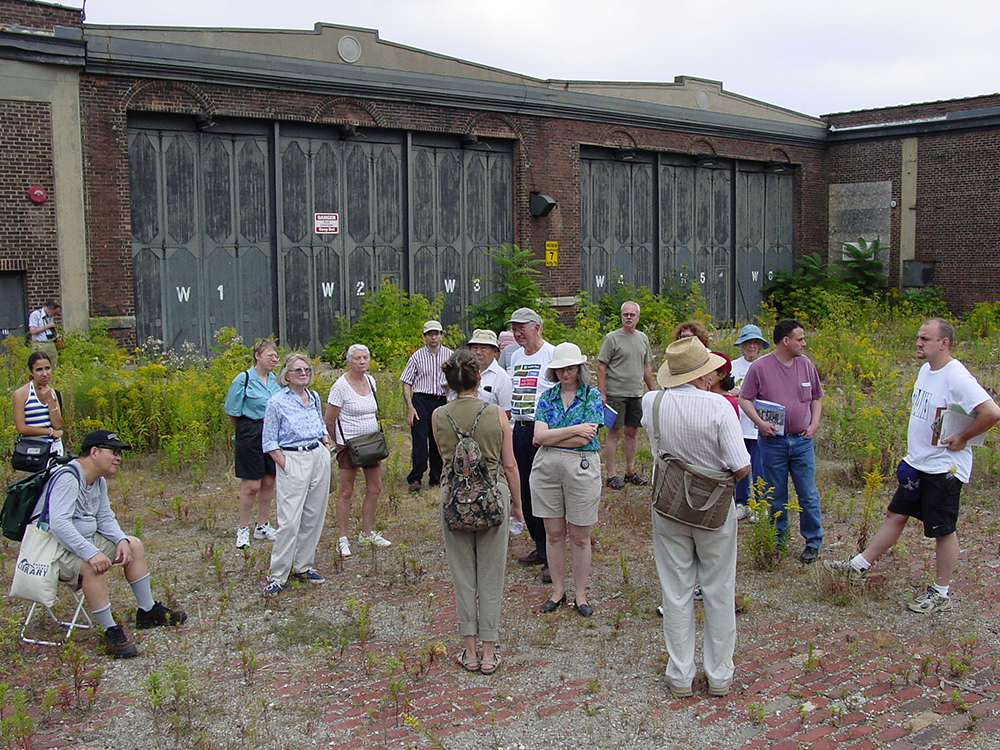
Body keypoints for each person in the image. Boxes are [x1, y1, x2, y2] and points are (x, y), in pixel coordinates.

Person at [824, 318, 1000, 613]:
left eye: (925, 339)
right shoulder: (925, 370)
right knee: (895, 514)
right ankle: (858, 566)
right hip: (918, 463)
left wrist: (963, 437)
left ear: (944, 343)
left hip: (943, 469)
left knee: (942, 530)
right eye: (918, 338)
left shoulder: (957, 377)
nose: (918, 343)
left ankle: (941, 592)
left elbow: (991, 412)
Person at [641, 337, 750, 698]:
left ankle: (680, 673)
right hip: (714, 508)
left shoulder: (651, 401)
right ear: (704, 373)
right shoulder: (720, 408)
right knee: (719, 588)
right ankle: (719, 674)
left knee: (675, 589)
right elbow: (741, 466)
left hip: (668, 503)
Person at [37, 430, 187, 659]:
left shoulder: (99, 481)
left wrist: (120, 540)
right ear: (94, 452)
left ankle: (146, 612)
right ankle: (110, 630)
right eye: (114, 452)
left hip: (84, 541)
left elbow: (105, 517)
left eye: (120, 453)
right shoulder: (68, 477)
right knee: (92, 564)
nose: (118, 458)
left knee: (133, 544)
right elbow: (59, 525)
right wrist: (91, 553)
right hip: (56, 549)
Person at [432, 349, 523, 674]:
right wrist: (518, 507)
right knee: (490, 574)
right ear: (479, 377)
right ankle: (488, 651)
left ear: (449, 381)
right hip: (493, 495)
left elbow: (444, 460)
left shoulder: (439, 415)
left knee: (462, 576)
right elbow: (510, 465)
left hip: (452, 497)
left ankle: (468, 651)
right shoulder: (496, 413)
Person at [737, 318, 825, 564]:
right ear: (785, 341)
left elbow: (816, 397)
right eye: (800, 339)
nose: (804, 344)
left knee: (807, 493)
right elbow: (745, 399)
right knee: (775, 493)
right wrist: (760, 423)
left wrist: (814, 423)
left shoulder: (806, 365)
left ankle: (813, 541)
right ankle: (777, 540)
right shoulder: (761, 367)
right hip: (773, 442)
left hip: (802, 441)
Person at [532, 342, 603, 616]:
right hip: (548, 467)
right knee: (554, 533)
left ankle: (581, 593)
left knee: (580, 535)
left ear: (579, 368)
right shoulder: (547, 397)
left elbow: (588, 437)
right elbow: (538, 437)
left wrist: (555, 435)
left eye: (571, 367)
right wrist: (573, 430)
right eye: (561, 369)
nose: (566, 373)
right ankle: (558, 590)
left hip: (581, 466)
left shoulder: (591, 396)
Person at [261, 353, 333, 596]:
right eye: (298, 370)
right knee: (290, 520)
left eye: (307, 370)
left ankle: (303, 566)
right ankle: (277, 574)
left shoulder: (313, 397)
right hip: (292, 458)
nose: (303, 374)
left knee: (314, 514)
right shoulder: (277, 402)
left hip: (317, 455)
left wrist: (325, 442)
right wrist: (284, 463)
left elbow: (320, 422)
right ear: (286, 375)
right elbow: (269, 440)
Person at [325, 344, 391, 557]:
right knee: (346, 491)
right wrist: (338, 443)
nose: (362, 362)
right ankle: (343, 537)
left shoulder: (371, 382)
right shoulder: (340, 386)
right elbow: (329, 420)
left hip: (371, 443)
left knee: (375, 487)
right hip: (349, 445)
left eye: (365, 358)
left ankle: (367, 532)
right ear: (348, 362)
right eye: (357, 359)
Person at [505, 308, 556, 580]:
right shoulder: (513, 356)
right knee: (524, 490)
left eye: (522, 327)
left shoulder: (552, 354)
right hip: (519, 429)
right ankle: (539, 545)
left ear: (538, 327)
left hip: (544, 431)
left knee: (545, 491)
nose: (517, 333)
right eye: (514, 328)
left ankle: (552, 554)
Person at [224, 339, 282, 549]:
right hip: (250, 432)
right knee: (251, 484)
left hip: (272, 433)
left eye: (276, 356)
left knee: (269, 480)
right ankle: (242, 529)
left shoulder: (276, 381)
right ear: (258, 356)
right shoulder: (244, 379)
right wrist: (247, 430)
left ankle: (262, 525)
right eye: (270, 356)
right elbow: (232, 411)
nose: (274, 360)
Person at [597, 301, 657, 490]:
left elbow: (647, 367)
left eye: (632, 315)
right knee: (614, 433)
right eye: (625, 315)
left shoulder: (642, 338)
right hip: (616, 393)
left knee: (632, 432)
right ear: (621, 317)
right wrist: (602, 393)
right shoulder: (612, 338)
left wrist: (653, 391)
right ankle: (612, 474)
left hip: (635, 394)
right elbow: (601, 366)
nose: (628, 317)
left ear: (638, 317)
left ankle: (630, 472)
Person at [400, 320, 453, 492]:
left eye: (436, 333)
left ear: (441, 335)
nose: (433, 337)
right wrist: (410, 407)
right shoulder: (417, 356)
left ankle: (436, 477)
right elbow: (406, 382)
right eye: (430, 334)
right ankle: (415, 477)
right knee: (420, 440)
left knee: (438, 439)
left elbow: (456, 380)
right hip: (421, 400)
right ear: (424, 337)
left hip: (442, 400)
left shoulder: (450, 356)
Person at [730, 325, 769, 520]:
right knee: (740, 464)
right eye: (747, 342)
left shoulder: (767, 365)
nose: (751, 346)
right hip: (738, 424)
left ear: (761, 345)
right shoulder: (733, 366)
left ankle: (761, 504)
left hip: (758, 425)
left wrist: (747, 395)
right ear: (742, 345)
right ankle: (742, 502)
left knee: (761, 466)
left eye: (755, 342)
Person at [13, 351, 64, 457]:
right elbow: (21, 428)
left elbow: (57, 425)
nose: (45, 374)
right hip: (33, 447)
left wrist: (50, 401)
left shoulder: (54, 393)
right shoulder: (21, 394)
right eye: (39, 370)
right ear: (31, 372)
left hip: (54, 447)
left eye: (47, 368)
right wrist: (49, 432)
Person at [465, 329, 513, 416]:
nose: (478, 352)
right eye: (475, 348)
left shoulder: (502, 377)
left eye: (483, 348)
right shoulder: (464, 373)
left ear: (494, 351)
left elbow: (507, 412)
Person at [28, 300, 61, 366]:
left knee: (53, 366)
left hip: (50, 344)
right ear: (50, 309)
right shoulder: (36, 315)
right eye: (54, 313)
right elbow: (32, 331)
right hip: (40, 345)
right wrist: (47, 326)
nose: (54, 315)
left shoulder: (50, 317)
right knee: (41, 365)